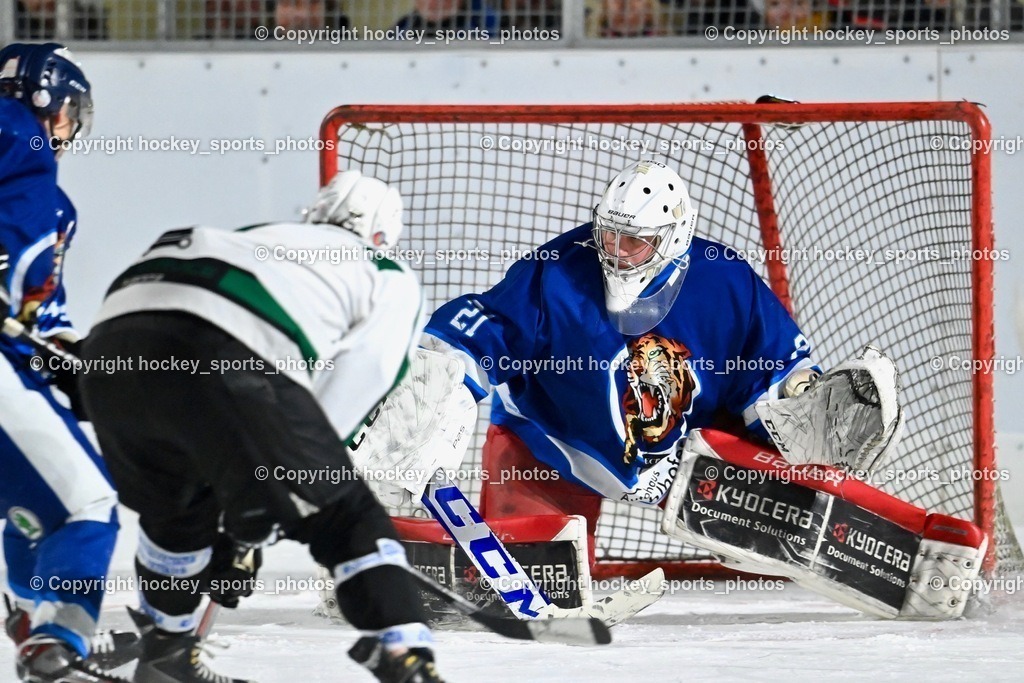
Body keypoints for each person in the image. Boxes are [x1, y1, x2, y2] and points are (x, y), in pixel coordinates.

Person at [77, 171, 445, 683]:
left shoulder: (257, 234)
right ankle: (405, 653)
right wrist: (277, 496)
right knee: (345, 512)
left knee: (178, 515)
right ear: (383, 234)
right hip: (220, 353)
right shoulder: (385, 269)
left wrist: (243, 505)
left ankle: (167, 655)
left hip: (110, 357)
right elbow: (352, 391)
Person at [419, 159, 820, 559]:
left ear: (674, 237)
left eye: (633, 241)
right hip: (552, 442)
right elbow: (489, 327)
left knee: (778, 543)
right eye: (609, 235)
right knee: (541, 573)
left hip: (684, 453)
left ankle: (810, 526)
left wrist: (799, 407)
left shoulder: (724, 280)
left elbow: (770, 368)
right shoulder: (559, 272)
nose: (615, 252)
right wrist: (437, 377)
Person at [0, 42, 127, 682]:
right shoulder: (15, 130)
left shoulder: (54, 205)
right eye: (70, 110)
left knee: (38, 509)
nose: (71, 126)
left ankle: (30, 615)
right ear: (46, 99)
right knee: (90, 505)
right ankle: (56, 645)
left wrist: (82, 367)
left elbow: (44, 320)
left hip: (12, 363)